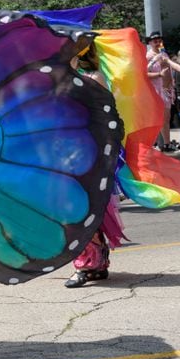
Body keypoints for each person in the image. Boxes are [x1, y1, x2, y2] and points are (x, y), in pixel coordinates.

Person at [64, 45, 128, 288]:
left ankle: (89, 265)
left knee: (81, 207)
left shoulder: (93, 77)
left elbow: (105, 115)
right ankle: (95, 263)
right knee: (76, 208)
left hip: (89, 151)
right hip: (68, 151)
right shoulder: (60, 79)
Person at [145, 31, 174, 151]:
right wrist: (159, 74)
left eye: (159, 40)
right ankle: (154, 144)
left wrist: (171, 86)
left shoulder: (164, 54)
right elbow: (144, 74)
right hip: (155, 90)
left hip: (166, 89)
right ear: (150, 42)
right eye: (155, 41)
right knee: (156, 118)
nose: (157, 42)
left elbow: (169, 71)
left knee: (166, 118)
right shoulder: (148, 56)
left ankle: (166, 144)